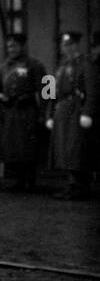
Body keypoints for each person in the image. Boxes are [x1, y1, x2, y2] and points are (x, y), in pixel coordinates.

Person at [0, 33, 46, 192]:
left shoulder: (35, 65)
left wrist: (44, 113)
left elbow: (48, 90)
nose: (11, 49)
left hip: (27, 112)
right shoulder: (2, 67)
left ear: (22, 46)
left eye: (15, 45)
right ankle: (19, 180)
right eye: (9, 46)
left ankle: (30, 181)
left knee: (27, 147)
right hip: (9, 113)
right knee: (12, 148)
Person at [46, 31, 97, 200]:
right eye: (63, 45)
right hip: (61, 111)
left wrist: (87, 112)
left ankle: (81, 186)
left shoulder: (86, 64)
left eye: (69, 44)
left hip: (76, 111)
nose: (65, 48)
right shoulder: (59, 66)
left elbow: (92, 90)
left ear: (76, 45)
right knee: (64, 150)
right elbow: (49, 92)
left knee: (76, 150)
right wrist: (49, 115)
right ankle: (71, 184)